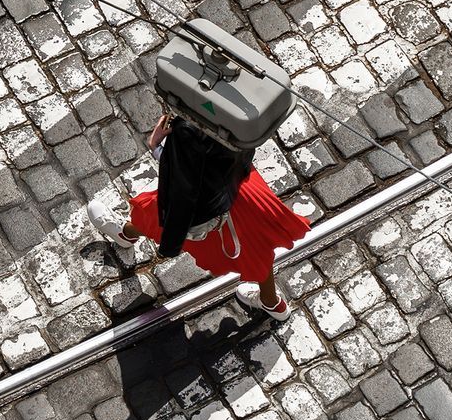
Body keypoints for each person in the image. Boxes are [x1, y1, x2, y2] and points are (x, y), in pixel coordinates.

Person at [92, 113, 311, 318]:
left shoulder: (189, 133)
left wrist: (156, 147)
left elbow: (186, 181)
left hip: (208, 206)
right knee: (256, 248)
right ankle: (272, 303)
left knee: (152, 214)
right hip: (242, 188)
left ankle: (126, 234)